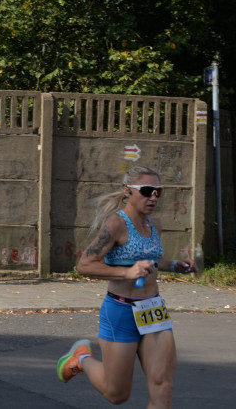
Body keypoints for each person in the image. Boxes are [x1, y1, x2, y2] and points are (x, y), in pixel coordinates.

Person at [57, 166, 196, 406]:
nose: (153, 196)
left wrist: (175, 265)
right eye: (146, 190)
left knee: (163, 387)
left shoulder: (156, 225)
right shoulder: (115, 224)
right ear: (127, 192)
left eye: (157, 192)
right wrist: (127, 272)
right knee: (117, 394)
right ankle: (81, 358)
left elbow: (153, 259)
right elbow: (85, 265)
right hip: (121, 312)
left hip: (153, 310)